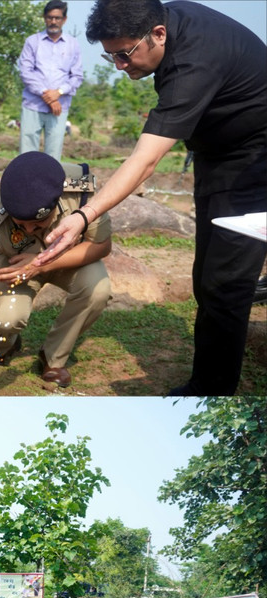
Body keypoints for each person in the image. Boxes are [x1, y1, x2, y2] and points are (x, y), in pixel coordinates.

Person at [38, 0, 267, 395]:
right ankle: (209, 372)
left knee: (225, 282)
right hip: (217, 153)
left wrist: (84, 215)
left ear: (157, 35)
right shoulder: (161, 17)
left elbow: (145, 162)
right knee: (206, 275)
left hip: (255, 158)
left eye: (124, 55)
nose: (119, 67)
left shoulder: (193, 63)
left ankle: (213, 390)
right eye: (110, 57)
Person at [0, 151, 112, 394]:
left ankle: (53, 358)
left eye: (38, 224)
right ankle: (6, 345)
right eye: (20, 224)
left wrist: (42, 263)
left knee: (97, 289)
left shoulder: (79, 189)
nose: (29, 230)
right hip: (13, 265)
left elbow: (102, 245)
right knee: (7, 318)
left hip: (67, 259)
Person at [18, 0, 83, 160]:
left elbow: (77, 76)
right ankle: (25, 185)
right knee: (27, 154)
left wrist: (58, 93)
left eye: (57, 18)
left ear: (64, 19)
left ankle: (48, 186)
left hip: (60, 108)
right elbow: (25, 72)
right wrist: (47, 96)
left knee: (53, 156)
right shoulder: (32, 41)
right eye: (50, 17)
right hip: (33, 105)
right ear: (44, 18)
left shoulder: (73, 44)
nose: (53, 21)